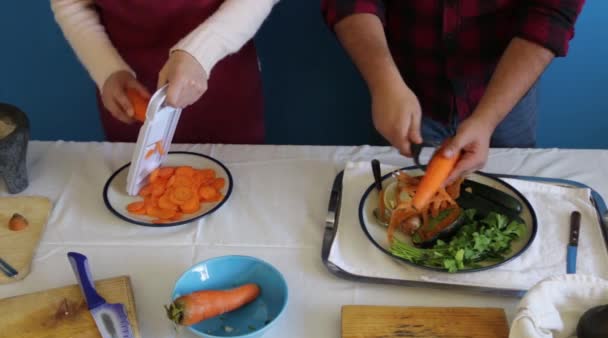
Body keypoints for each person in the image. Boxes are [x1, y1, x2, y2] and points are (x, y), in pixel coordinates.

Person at [322, 1, 584, 182]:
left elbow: (551, 14)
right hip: (401, 91)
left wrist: (487, 119)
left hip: (505, 95)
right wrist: (383, 82)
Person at [51, 0, 280, 144]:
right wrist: (108, 70)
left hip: (221, 81)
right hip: (131, 93)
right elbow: (71, 4)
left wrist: (202, 51)